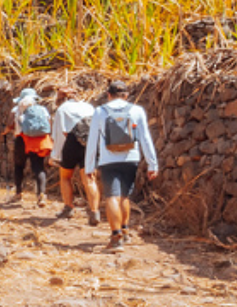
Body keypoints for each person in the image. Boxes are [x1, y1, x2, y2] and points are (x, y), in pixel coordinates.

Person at [83, 79, 159, 250]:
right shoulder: (137, 110)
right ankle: (124, 231)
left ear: (109, 95)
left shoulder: (100, 111)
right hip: (131, 159)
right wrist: (152, 164)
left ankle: (116, 236)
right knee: (124, 196)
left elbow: (92, 140)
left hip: (108, 160)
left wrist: (89, 166)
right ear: (126, 95)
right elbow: (145, 138)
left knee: (111, 197)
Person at [51, 83, 101, 225]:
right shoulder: (90, 107)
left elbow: (60, 133)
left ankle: (68, 207)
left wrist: (56, 155)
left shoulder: (63, 109)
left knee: (65, 177)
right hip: (89, 144)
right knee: (89, 179)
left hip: (71, 143)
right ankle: (95, 211)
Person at [7, 87, 53, 206]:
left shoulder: (16, 110)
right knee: (38, 167)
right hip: (38, 141)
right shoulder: (42, 110)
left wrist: (5, 131)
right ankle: (41, 195)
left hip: (22, 140)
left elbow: (10, 125)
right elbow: (49, 124)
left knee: (19, 166)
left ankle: (18, 193)